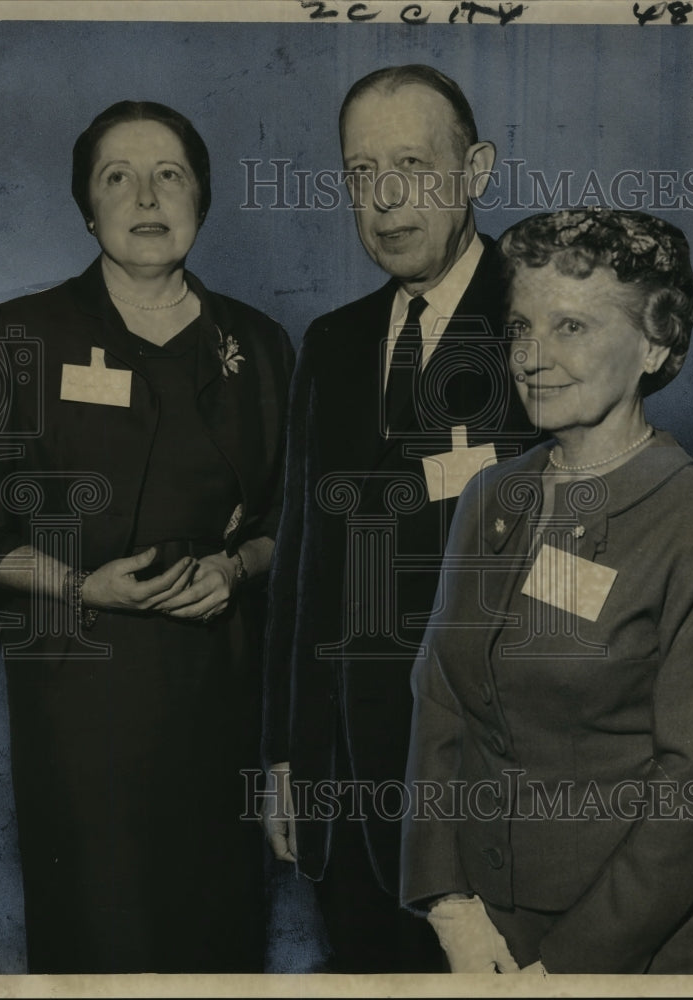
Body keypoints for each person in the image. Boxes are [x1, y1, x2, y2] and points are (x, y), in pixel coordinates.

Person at [0, 100, 293, 973]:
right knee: (101, 942)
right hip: (82, 716)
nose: (147, 196)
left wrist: (237, 567)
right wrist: (83, 588)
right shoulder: (18, 337)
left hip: (221, 701)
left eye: (171, 174)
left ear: (203, 197)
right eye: (118, 176)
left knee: (218, 942)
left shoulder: (260, 344)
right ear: (87, 208)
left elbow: (285, 525)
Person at [400, 207, 693, 974]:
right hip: (485, 933)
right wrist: (448, 904)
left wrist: (563, 970)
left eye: (572, 328)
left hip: (635, 947)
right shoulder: (493, 495)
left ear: (656, 342)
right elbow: (442, 698)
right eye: (521, 327)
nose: (532, 357)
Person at [261, 65, 540, 972]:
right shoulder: (333, 345)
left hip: (492, 795)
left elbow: (585, 573)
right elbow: (304, 570)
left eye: (415, 166)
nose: (385, 201)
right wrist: (285, 760)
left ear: (478, 170)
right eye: (360, 173)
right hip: (349, 799)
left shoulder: (547, 321)